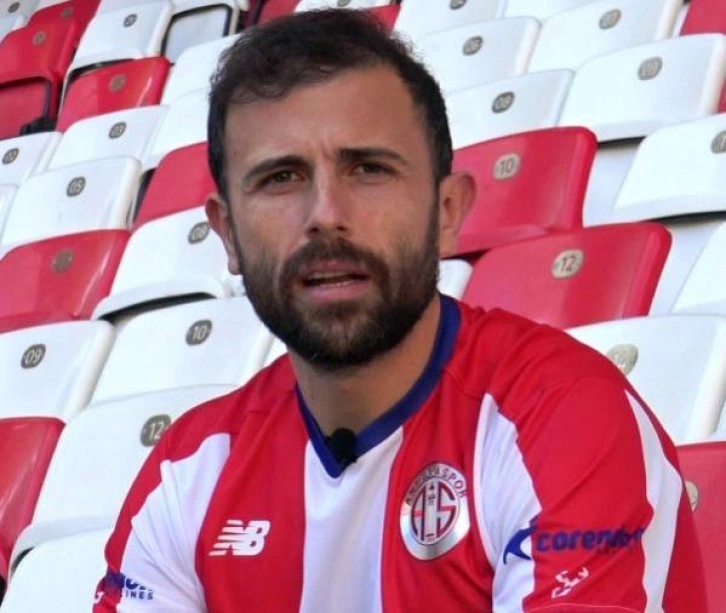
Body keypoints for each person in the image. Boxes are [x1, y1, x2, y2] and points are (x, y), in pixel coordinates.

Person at [93, 9, 705, 612]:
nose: (325, 214)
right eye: (281, 178)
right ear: (227, 233)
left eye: (369, 169)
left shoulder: (563, 416)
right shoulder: (187, 470)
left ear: (447, 211)